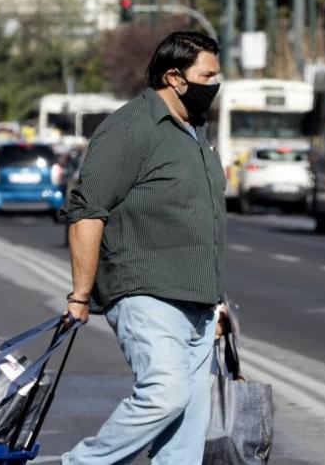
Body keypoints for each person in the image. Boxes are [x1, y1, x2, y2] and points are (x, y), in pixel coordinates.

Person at [61, 31, 226, 464]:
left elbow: (201, 220)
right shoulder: (131, 128)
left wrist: (218, 300)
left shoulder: (194, 131)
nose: (216, 83)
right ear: (174, 77)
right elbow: (87, 210)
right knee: (165, 394)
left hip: (199, 301)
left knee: (187, 431)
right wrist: (80, 294)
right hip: (146, 290)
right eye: (207, 75)